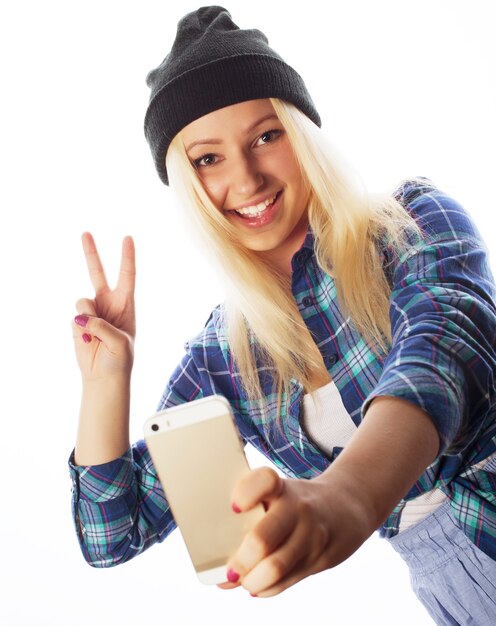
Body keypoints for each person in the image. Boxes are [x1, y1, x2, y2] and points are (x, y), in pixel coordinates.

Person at [69, 5, 496, 623]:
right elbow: (112, 535)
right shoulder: (224, 357)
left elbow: (440, 352)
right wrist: (105, 382)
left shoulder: (412, 223)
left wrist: (339, 502)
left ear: (304, 135)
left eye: (266, 136)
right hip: (458, 594)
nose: (245, 178)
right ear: (185, 183)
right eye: (207, 159)